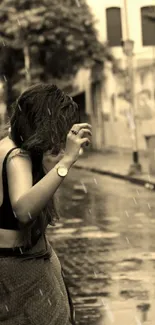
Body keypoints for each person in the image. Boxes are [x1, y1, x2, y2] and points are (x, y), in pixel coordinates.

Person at [0, 84, 92, 325]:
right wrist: (67, 161)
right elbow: (23, 210)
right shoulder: (16, 156)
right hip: (20, 272)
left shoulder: (3, 146)